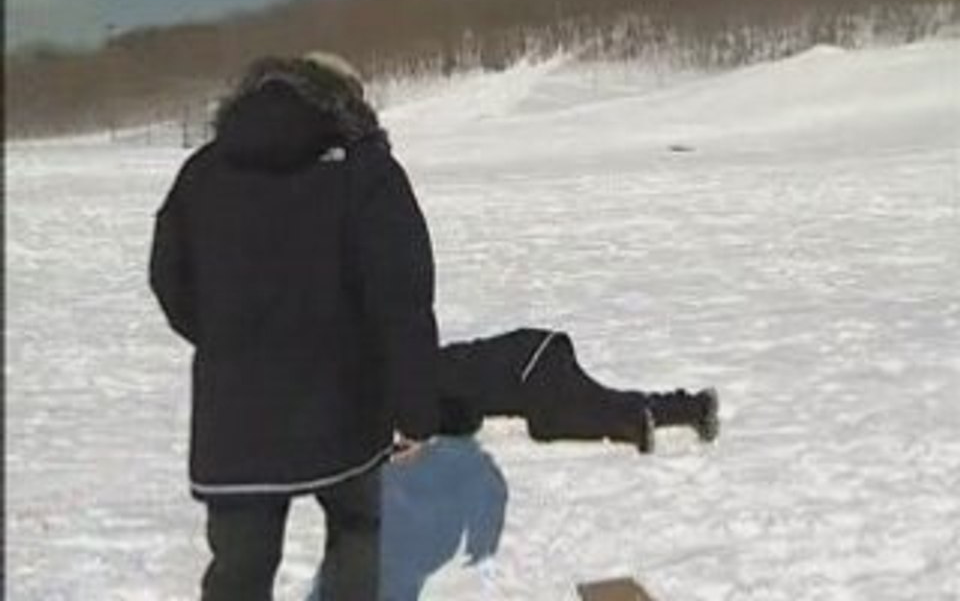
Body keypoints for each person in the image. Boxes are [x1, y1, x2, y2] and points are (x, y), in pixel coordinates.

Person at [149, 52, 440, 601]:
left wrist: (228, 340)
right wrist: (416, 411)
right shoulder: (364, 168)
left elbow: (169, 277)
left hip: (234, 413)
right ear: (347, 98)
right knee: (357, 532)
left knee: (239, 568)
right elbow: (401, 297)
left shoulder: (204, 170)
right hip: (346, 401)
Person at [435, 328, 719, 453]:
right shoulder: (430, 367)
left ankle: (637, 420)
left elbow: (464, 421)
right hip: (536, 353)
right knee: (594, 402)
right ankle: (691, 408)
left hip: (532, 365)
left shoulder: (421, 380)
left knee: (555, 422)